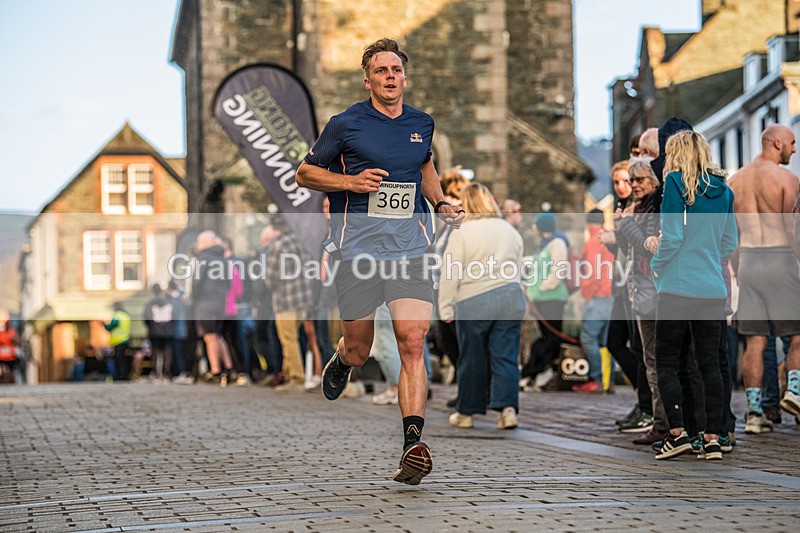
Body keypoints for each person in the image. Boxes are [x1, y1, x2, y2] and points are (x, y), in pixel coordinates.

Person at [296, 37, 464, 485]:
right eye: (381, 70)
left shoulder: (421, 124)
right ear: (367, 78)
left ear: (404, 78)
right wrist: (350, 183)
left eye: (396, 70)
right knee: (361, 347)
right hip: (359, 252)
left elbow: (424, 166)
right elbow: (305, 172)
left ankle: (414, 444)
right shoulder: (346, 123)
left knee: (413, 340)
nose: (390, 76)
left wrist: (442, 202)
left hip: (411, 247)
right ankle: (344, 359)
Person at [651, 131, 737, 460]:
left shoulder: (674, 183)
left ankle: (678, 434)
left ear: (676, 154)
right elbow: (729, 241)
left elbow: (671, 236)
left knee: (668, 362)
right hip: (712, 288)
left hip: (677, 285)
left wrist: (658, 265)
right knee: (709, 364)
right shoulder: (724, 191)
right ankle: (713, 437)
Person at [727, 124, 800, 431]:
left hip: (747, 261)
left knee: (755, 340)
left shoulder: (735, 182)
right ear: (777, 143)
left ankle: (754, 413)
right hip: (780, 257)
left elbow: (730, 236)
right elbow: (791, 231)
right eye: (793, 143)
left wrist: (737, 269)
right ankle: (795, 392)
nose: (794, 150)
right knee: (797, 334)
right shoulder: (787, 179)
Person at [439, 182, 525, 429]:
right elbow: (518, 266)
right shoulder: (509, 230)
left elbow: (450, 272)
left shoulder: (463, 231)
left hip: (474, 299)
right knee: (506, 356)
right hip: (510, 297)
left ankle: (466, 413)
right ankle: (507, 411)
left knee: (472, 357)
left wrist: (445, 308)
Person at [615, 157, 667, 444]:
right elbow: (631, 249)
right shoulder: (640, 208)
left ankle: (663, 423)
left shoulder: (654, 208)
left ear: (653, 180)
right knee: (651, 359)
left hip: (654, 289)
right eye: (631, 180)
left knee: (657, 360)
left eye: (639, 180)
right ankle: (660, 421)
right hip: (641, 289)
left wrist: (626, 225)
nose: (633, 185)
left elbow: (649, 246)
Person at [262, 216, 316, 394]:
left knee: (288, 339)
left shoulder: (277, 246)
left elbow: (269, 277)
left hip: (285, 300)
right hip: (302, 299)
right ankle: (289, 375)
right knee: (294, 337)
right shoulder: (298, 242)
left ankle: (296, 378)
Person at [520, 212, 569, 385]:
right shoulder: (544, 245)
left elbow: (559, 269)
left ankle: (530, 371)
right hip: (540, 300)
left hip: (552, 299)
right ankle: (536, 372)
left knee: (551, 339)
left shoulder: (557, 243)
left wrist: (544, 286)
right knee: (548, 338)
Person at [574, 209, 614, 393]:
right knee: (607, 341)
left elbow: (591, 273)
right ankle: (608, 380)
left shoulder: (592, 242)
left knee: (588, 338)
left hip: (597, 297)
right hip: (612, 296)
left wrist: (586, 292)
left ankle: (597, 379)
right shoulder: (611, 239)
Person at [193, 230, 235, 386]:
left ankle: (215, 371)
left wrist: (193, 298)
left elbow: (197, 283)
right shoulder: (223, 259)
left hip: (206, 303)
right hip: (220, 302)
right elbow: (229, 282)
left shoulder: (203, 258)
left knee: (209, 337)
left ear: (205, 242)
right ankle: (229, 368)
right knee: (218, 335)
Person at [143, 284, 176, 380]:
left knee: (155, 352)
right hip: (167, 331)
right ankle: (166, 373)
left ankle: (155, 373)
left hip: (154, 331)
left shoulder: (150, 303)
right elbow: (174, 316)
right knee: (167, 352)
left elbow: (146, 317)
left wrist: (151, 326)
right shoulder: (168, 302)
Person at [103, 302, 131, 380]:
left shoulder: (117, 316)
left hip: (119, 342)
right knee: (124, 361)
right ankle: (124, 376)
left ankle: (120, 377)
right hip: (126, 341)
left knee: (119, 362)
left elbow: (110, 327)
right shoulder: (125, 315)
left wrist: (104, 325)